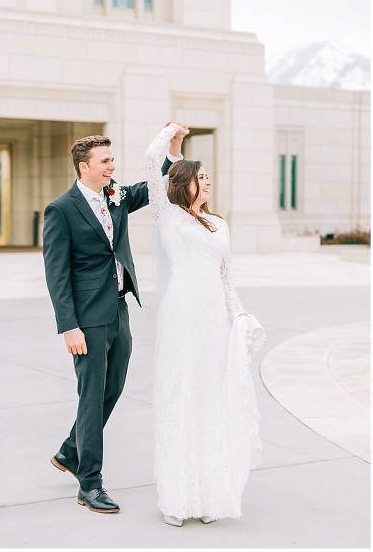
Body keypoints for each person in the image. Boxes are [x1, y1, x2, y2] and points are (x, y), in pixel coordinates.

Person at [43, 123, 187, 513]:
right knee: (90, 398)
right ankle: (89, 483)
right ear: (83, 167)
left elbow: (154, 186)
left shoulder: (117, 195)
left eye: (112, 160)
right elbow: (56, 274)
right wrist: (68, 326)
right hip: (86, 319)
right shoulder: (60, 210)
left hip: (119, 308)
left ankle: (71, 451)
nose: (111, 167)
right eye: (105, 161)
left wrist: (173, 150)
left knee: (113, 388)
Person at [144, 123, 265, 527]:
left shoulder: (220, 224)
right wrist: (170, 137)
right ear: (185, 184)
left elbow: (226, 276)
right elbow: (150, 162)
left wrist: (240, 313)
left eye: (207, 176)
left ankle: (209, 494)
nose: (208, 181)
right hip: (182, 314)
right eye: (201, 177)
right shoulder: (168, 216)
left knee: (210, 400)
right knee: (182, 396)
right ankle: (177, 499)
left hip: (214, 317)